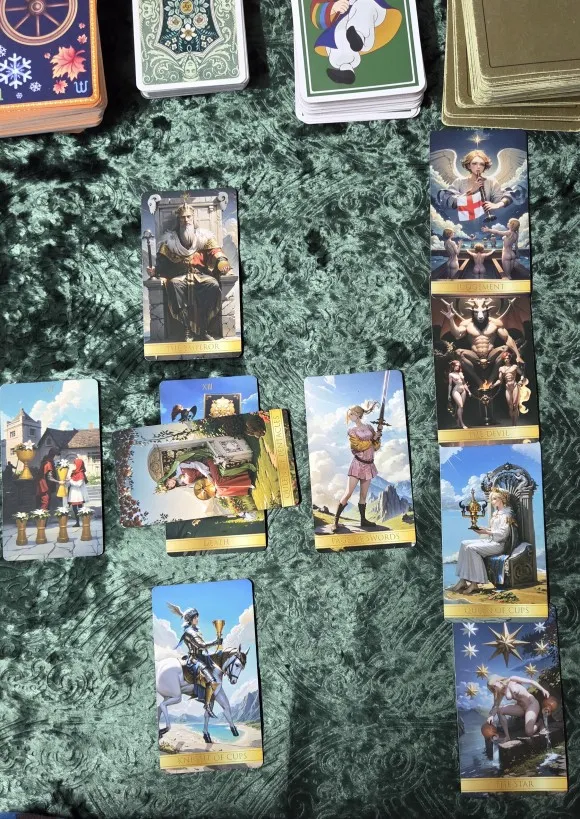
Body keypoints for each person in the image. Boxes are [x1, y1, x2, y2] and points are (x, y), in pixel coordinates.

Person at [147, 200, 232, 342]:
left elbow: (216, 252)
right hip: (179, 276)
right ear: (178, 220)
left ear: (193, 218)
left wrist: (222, 261)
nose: (186, 220)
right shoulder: (169, 240)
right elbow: (162, 262)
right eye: (182, 217)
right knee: (173, 284)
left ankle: (204, 330)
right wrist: (154, 271)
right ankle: (187, 329)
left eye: (188, 217)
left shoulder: (204, 237)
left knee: (213, 285)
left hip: (201, 275)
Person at [310, 0, 403, 86]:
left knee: (363, 5)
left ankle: (359, 37)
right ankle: (346, 69)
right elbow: (317, 17)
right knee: (339, 32)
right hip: (346, 17)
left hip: (374, 10)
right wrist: (333, 7)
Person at [449, 488, 515, 595]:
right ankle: (462, 580)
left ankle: (475, 583)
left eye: (494, 499)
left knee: (471, 548)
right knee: (464, 543)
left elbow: (503, 534)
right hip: (491, 541)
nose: (492, 501)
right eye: (491, 499)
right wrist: (481, 529)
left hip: (498, 545)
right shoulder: (497, 513)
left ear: (502, 499)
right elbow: (493, 529)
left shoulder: (506, 515)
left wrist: (486, 532)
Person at [332, 402, 382, 532]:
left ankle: (363, 520)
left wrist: (378, 435)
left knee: (363, 495)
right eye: (349, 414)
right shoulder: (352, 431)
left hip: (369, 465)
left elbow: (376, 447)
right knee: (348, 493)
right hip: (357, 465)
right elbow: (357, 447)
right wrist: (372, 439)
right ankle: (335, 522)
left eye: (351, 414)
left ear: (358, 414)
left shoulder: (369, 427)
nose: (349, 416)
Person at [176, 608, 221, 717]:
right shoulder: (190, 632)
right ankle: (207, 705)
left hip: (201, 657)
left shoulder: (195, 630)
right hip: (194, 659)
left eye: (197, 617)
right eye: (195, 617)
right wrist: (215, 642)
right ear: (190, 619)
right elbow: (201, 645)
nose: (197, 619)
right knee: (212, 681)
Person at [449, 149, 514, 218]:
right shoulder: (459, 181)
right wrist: (471, 190)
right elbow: (452, 202)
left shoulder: (491, 181)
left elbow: (501, 198)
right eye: (474, 163)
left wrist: (496, 205)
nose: (478, 167)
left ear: (484, 167)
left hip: (486, 219)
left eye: (482, 164)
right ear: (468, 166)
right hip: (467, 219)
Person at [486, 675, 550, 742]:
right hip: (521, 708)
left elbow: (531, 682)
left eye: (494, 685)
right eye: (493, 688)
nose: (495, 688)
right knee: (499, 710)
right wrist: (491, 716)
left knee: (529, 732)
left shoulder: (512, 679)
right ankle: (507, 737)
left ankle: (540, 722)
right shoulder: (501, 692)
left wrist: (543, 689)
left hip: (531, 704)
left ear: (498, 680)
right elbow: (496, 705)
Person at [493, 350, 530, 426]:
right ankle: (512, 422)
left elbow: (522, 374)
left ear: (510, 358)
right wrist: (493, 385)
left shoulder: (514, 367)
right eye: (505, 358)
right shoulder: (501, 369)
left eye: (508, 358)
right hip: (507, 388)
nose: (506, 359)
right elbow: (500, 380)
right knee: (510, 406)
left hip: (515, 386)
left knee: (515, 405)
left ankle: (514, 424)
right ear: (503, 359)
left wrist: (521, 380)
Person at [448, 360, 471, 429]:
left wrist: (469, 391)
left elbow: (464, 383)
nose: (457, 367)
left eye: (458, 366)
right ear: (453, 366)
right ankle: (462, 423)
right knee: (460, 406)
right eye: (456, 366)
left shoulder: (460, 373)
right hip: (456, 391)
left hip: (463, 390)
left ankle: (458, 422)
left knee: (461, 407)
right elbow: (450, 385)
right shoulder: (451, 374)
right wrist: (448, 394)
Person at [67, 457, 89, 527]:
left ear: (79, 465)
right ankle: (77, 522)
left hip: (78, 493)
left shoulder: (81, 474)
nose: (74, 465)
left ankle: (84, 521)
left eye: (75, 464)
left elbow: (78, 484)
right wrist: (67, 481)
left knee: (80, 507)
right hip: (73, 492)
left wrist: (70, 480)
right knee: (74, 508)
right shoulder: (73, 473)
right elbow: (70, 483)